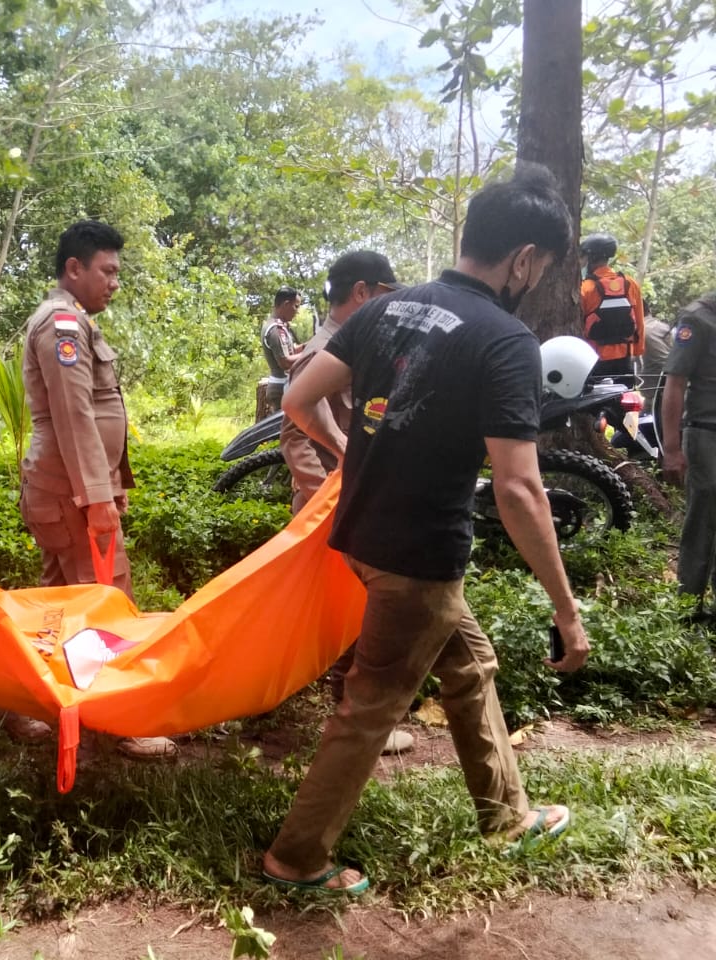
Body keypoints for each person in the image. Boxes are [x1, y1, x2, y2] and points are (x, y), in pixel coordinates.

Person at [266, 164, 591, 895]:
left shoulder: (386, 309)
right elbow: (518, 487)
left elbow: (298, 396)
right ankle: (296, 857)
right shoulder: (505, 340)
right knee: (371, 706)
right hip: (419, 558)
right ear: (525, 259)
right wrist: (566, 611)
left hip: (362, 537)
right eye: (538, 271)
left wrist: (349, 451)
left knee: (469, 666)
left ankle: (508, 815)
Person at [0, 220, 176, 760]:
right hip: (70, 495)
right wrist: (98, 498)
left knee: (56, 607)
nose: (114, 282)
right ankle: (118, 718)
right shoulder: (62, 323)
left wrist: (111, 485)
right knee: (108, 601)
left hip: (66, 490)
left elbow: (95, 415)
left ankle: (2, 698)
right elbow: (75, 416)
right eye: (107, 271)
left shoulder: (73, 321)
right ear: (74, 269)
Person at [277, 250, 413, 757]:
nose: (387, 307)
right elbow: (294, 436)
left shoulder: (350, 344)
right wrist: (325, 498)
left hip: (342, 501)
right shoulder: (323, 350)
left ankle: (309, 698)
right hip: (329, 505)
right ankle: (345, 713)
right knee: (348, 608)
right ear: (361, 293)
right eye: (382, 296)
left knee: (341, 606)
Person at [660, 291, 716, 620]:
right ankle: (688, 608)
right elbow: (675, 383)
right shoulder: (697, 318)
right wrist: (671, 448)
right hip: (706, 431)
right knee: (703, 520)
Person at [579, 232, 645, 381]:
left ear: (591, 258)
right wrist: (638, 351)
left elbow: (578, 328)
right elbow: (639, 322)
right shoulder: (630, 284)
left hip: (593, 361)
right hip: (624, 360)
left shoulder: (585, 288)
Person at [261, 288, 303, 409]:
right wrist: (311, 353)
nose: (297, 311)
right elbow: (284, 362)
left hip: (283, 387)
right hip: (281, 389)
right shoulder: (275, 329)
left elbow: (292, 351)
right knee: (283, 427)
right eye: (296, 306)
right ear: (286, 304)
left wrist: (309, 345)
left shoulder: (279, 326)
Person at [640, 302, 672, 413]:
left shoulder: (639, 331)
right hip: (675, 380)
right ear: (649, 311)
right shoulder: (665, 327)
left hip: (654, 389)